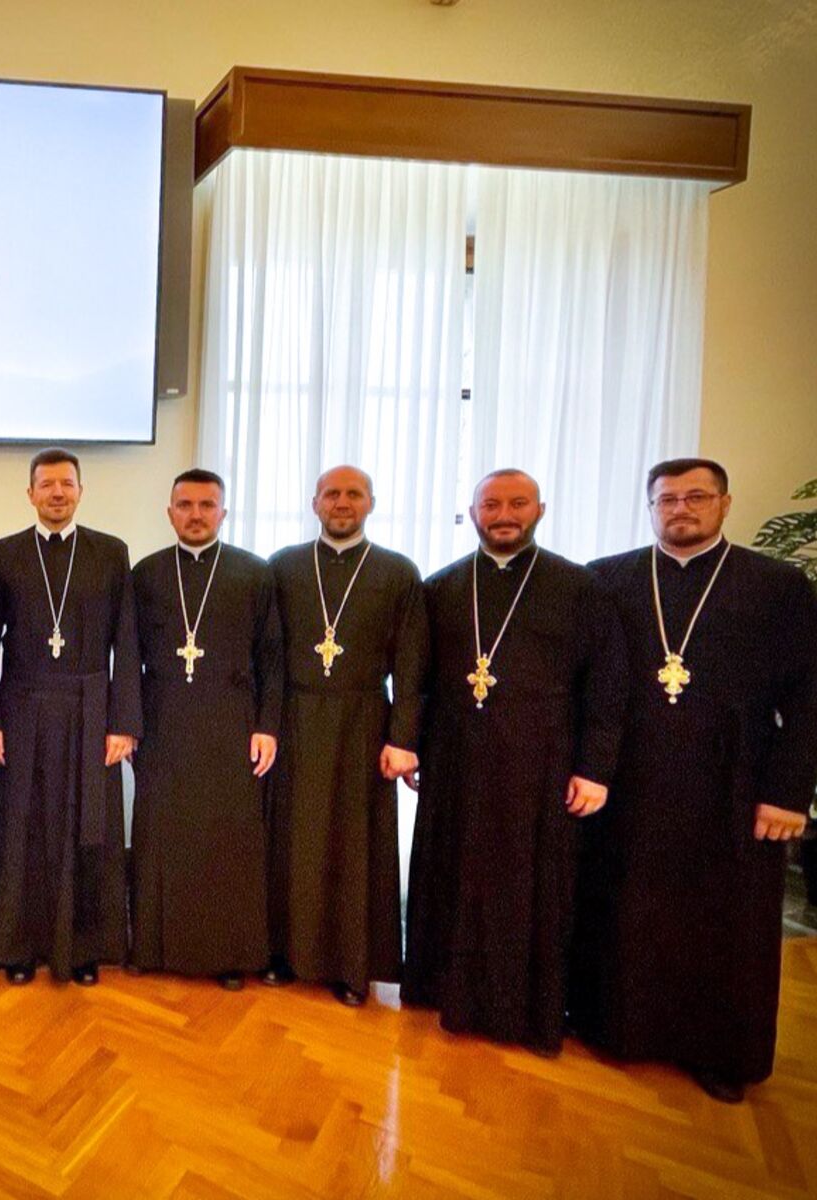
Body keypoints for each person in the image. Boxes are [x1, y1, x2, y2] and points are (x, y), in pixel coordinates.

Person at [573, 458, 817, 1102]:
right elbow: (589, 688)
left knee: (726, 923)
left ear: (725, 503)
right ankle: (619, 1029)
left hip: (733, 782)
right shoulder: (610, 579)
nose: (682, 509)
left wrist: (788, 792)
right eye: (668, 499)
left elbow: (809, 693)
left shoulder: (778, 585)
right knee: (627, 907)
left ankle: (720, 1054)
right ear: (650, 507)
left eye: (697, 497)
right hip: (632, 779)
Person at [403, 469, 625, 1056]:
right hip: (455, 757)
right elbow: (419, 680)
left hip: (542, 760)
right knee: (452, 873)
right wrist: (415, 744)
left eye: (517, 503)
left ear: (540, 509)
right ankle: (442, 990)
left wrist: (595, 768)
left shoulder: (580, 588)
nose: (505, 513)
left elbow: (606, 685)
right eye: (492, 503)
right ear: (472, 513)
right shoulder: (443, 586)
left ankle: (525, 1011)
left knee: (530, 885)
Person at [0, 448, 141, 986]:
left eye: (66, 484)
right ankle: (18, 946)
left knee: (87, 830)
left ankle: (86, 948)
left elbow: (127, 641)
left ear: (80, 491)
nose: (56, 493)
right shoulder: (2, 555)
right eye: (45, 484)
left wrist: (124, 722)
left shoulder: (111, 553)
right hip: (23, 704)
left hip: (90, 709)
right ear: (29, 494)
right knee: (21, 828)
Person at [266, 466, 427, 1006]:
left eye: (352, 494)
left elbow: (410, 664)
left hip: (362, 722)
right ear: (314, 503)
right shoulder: (284, 567)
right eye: (332, 494)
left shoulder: (397, 573)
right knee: (291, 840)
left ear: (371, 503)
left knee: (353, 848)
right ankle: (286, 956)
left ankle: (351, 966)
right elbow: (265, 654)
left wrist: (403, 737)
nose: (342, 503)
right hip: (294, 717)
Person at [129, 469, 282, 986]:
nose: (196, 514)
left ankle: (228, 956)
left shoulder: (254, 574)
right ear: (169, 512)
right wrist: (128, 724)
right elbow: (125, 658)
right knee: (160, 833)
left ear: (223, 512)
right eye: (185, 505)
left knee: (226, 840)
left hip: (230, 718)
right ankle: (153, 948)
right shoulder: (146, 574)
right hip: (163, 716)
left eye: (207, 505)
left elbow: (272, 658)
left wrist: (267, 727)